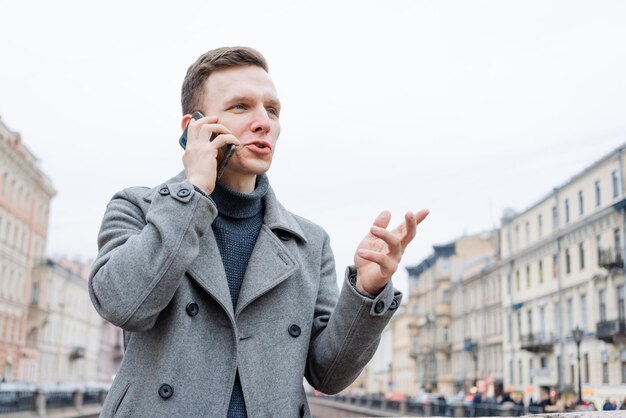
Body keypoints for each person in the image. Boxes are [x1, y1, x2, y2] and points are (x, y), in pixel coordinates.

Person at [88, 46, 428, 418]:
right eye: (240, 107)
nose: (263, 121)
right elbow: (123, 305)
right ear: (193, 128)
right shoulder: (138, 208)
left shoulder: (309, 243)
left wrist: (366, 291)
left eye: (272, 110)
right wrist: (193, 192)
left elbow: (327, 375)